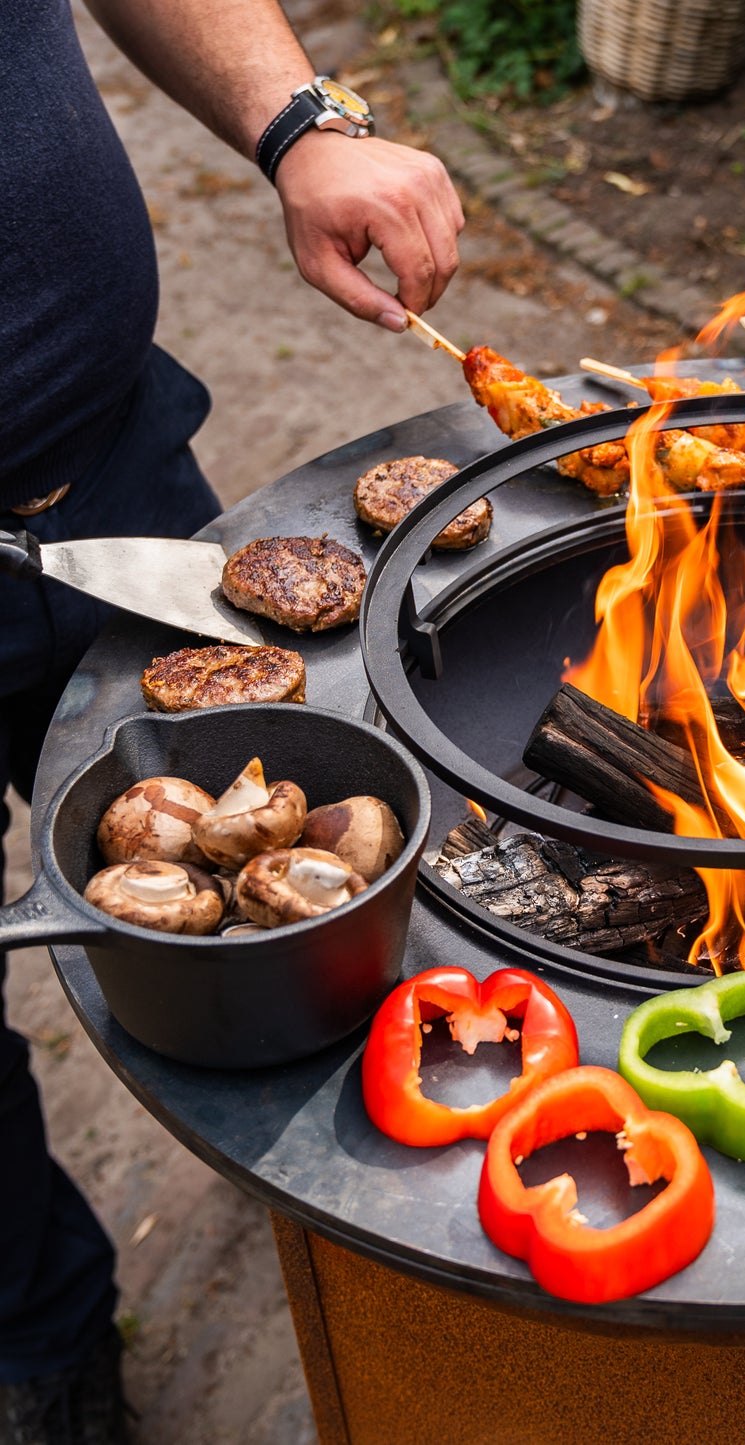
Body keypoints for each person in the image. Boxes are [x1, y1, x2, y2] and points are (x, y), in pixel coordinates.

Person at [1, 1, 464, 1439]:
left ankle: (397, 1229)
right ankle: (42, 1343)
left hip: (104, 470)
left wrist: (295, 119)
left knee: (304, 883)